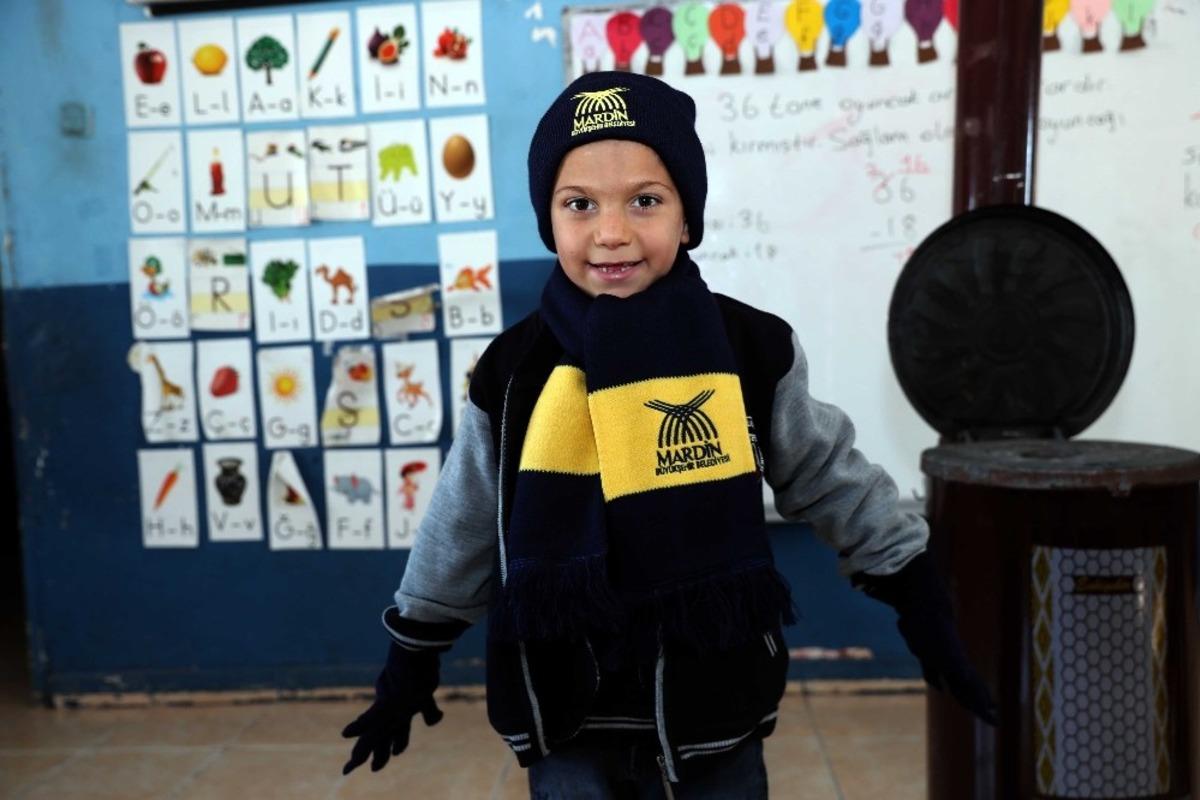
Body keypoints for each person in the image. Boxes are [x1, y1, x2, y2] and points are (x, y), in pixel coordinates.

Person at [342, 71, 995, 798]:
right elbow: (460, 521)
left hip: (713, 712)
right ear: (548, 220)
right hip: (567, 721)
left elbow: (831, 475)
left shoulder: (749, 347)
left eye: (645, 201)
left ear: (687, 217)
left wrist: (920, 597)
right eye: (579, 204)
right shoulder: (511, 371)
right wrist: (412, 657)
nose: (611, 232)